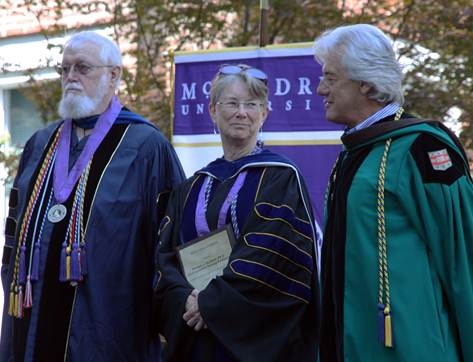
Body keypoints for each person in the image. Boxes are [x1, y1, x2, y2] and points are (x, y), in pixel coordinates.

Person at [0, 30, 185, 361]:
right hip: (32, 313)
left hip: (107, 324)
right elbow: (14, 237)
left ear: (114, 75)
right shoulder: (41, 144)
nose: (70, 77)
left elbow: (170, 243)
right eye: (65, 69)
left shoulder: (145, 147)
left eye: (82, 68)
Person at [313, 23, 473, 362]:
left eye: (330, 77)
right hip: (352, 344)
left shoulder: (423, 150)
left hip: (415, 347)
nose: (319, 88)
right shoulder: (354, 154)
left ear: (366, 83)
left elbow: (463, 259)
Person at [153, 64, 320, 361]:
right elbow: (166, 257)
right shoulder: (191, 187)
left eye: (251, 104)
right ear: (213, 111)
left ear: (264, 114)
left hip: (254, 339)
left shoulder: (280, 178)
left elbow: (271, 256)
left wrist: (212, 303)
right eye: (230, 103)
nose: (241, 112)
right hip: (194, 330)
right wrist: (185, 299)